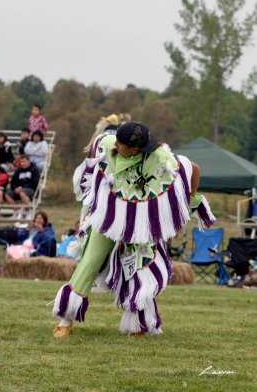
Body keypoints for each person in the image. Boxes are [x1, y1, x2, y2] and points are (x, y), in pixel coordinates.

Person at [52, 122, 215, 338]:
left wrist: (187, 200)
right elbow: (97, 143)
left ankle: (139, 324)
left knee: (139, 268)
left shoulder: (160, 159)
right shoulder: (109, 144)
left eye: (121, 144)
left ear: (135, 149)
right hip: (109, 217)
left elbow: (193, 168)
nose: (116, 146)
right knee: (90, 261)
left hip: (138, 223)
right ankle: (66, 321)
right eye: (116, 141)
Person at [5, 155, 40, 219]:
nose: (22, 163)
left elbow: (34, 183)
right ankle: (16, 212)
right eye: (21, 162)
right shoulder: (18, 170)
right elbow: (13, 182)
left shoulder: (34, 169)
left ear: (28, 161)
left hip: (30, 190)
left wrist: (22, 187)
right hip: (18, 189)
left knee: (22, 193)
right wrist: (15, 188)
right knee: (7, 194)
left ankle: (29, 212)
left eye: (24, 162)